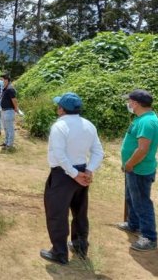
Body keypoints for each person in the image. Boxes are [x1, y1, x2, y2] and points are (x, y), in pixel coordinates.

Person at [40, 93, 104, 265]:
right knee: (80, 211)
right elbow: (98, 152)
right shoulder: (88, 125)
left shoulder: (59, 127)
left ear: (61, 109)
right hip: (82, 173)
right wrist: (88, 170)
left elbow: (60, 155)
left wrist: (74, 174)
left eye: (58, 106)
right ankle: (80, 245)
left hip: (63, 174)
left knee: (57, 214)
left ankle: (59, 253)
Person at [117, 89, 158, 251]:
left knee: (142, 203)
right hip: (135, 168)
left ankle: (149, 237)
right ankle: (133, 224)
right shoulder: (143, 119)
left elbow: (142, 149)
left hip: (139, 169)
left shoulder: (147, 122)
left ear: (135, 103)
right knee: (132, 198)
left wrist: (129, 164)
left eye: (129, 101)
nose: (128, 104)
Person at [0, 73, 20, 151]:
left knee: (10, 128)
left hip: (9, 111)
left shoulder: (10, 89)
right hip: (4, 111)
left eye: (2, 80)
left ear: (6, 80)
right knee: (5, 128)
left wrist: (16, 108)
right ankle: (6, 142)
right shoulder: (5, 88)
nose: (1, 81)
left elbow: (14, 100)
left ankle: (9, 144)